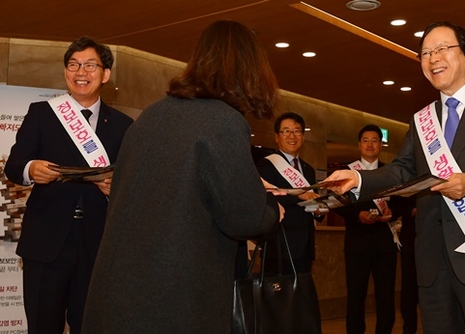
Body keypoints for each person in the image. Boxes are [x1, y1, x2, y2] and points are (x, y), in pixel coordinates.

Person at [325, 21, 465, 334]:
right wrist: (358, 179)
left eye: (442, 49)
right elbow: (402, 170)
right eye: (425, 53)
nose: (432, 58)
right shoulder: (421, 119)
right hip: (432, 264)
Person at [81, 20, 283, 333]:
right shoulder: (224, 122)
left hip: (119, 294)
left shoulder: (152, 114)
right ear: (251, 69)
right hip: (174, 301)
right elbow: (244, 218)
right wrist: (270, 208)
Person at [3, 36, 134, 334]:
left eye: (90, 65)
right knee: (42, 325)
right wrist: (30, 169)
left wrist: (118, 189)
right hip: (46, 242)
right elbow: (14, 166)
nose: (80, 72)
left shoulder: (124, 125)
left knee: (90, 325)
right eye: (73, 65)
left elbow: (134, 183)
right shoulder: (43, 114)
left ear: (105, 74)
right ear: (65, 72)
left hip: (97, 244)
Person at [335, 124, 397, 334]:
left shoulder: (391, 172)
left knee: (386, 296)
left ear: (380, 145)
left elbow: (402, 202)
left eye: (374, 140)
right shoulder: (346, 172)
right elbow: (337, 203)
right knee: (355, 296)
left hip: (384, 244)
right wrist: (356, 215)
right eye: (366, 140)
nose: (370, 144)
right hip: (357, 244)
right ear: (359, 145)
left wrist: (391, 212)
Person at [256, 112, 324, 275]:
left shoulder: (308, 170)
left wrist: (320, 208)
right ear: (277, 137)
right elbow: (266, 198)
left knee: (302, 297)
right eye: (286, 131)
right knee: (278, 299)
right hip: (279, 246)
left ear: (303, 136)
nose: (292, 135)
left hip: (305, 248)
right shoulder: (266, 165)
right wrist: (298, 196)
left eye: (297, 131)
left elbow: (311, 201)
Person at [389, 194, 419, 334]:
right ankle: (408, 328)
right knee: (408, 289)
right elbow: (396, 207)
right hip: (410, 239)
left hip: (434, 239)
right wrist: (412, 211)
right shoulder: (406, 176)